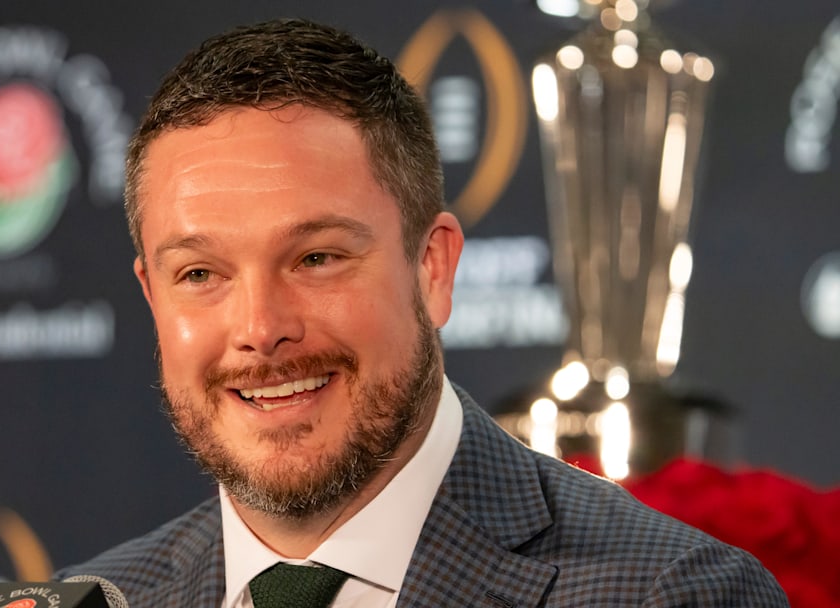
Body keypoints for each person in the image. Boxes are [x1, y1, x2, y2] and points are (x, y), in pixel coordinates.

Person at [57, 18, 788, 607]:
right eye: (199, 273)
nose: (259, 329)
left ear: (432, 268)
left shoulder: (667, 593)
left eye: (316, 258)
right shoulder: (90, 601)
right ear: (152, 297)